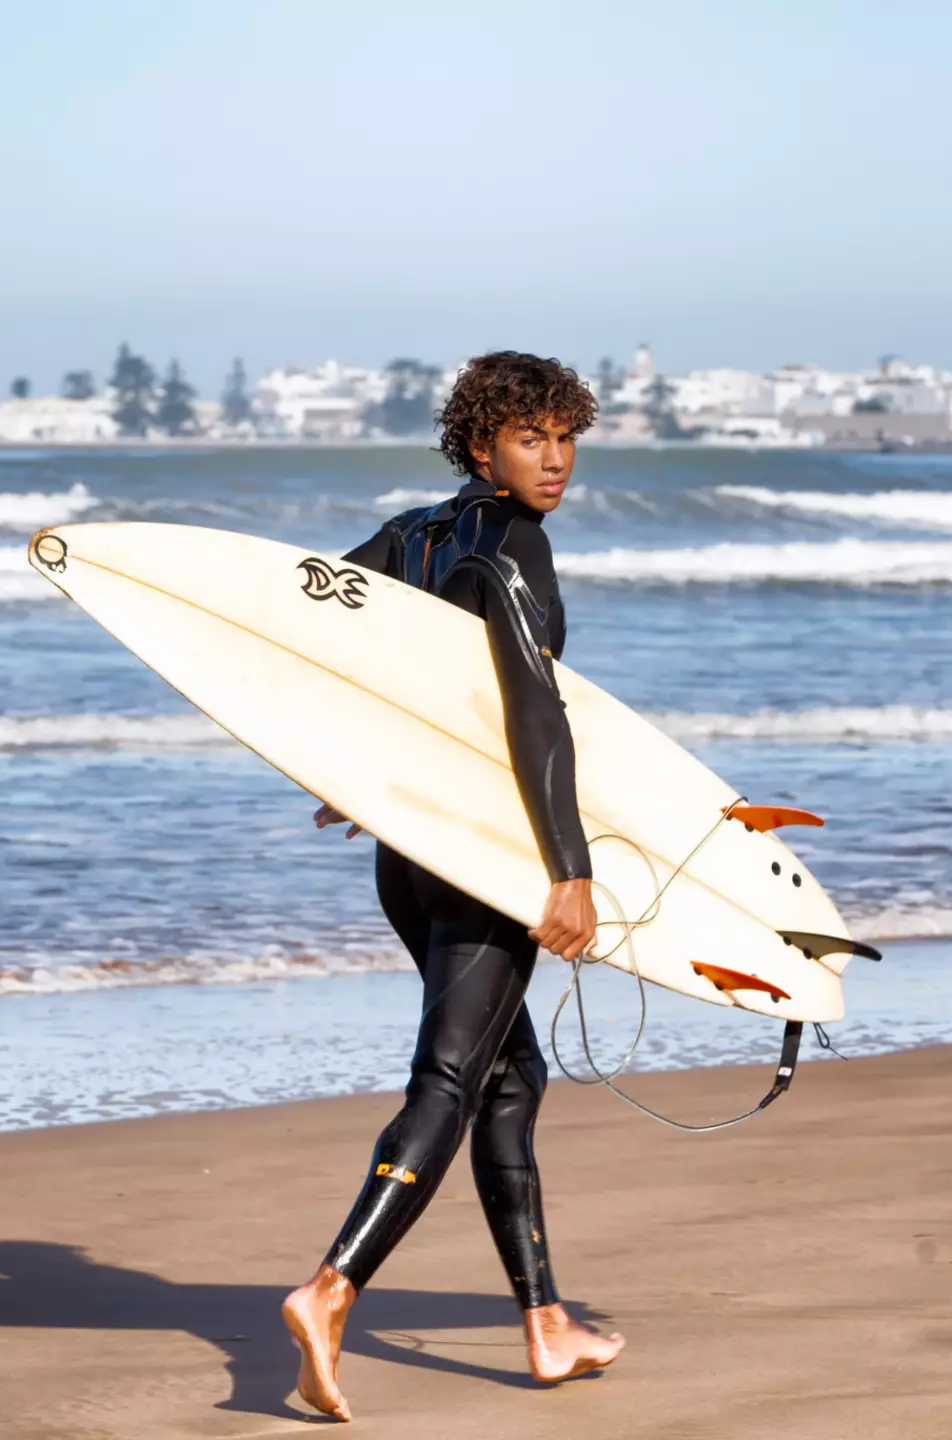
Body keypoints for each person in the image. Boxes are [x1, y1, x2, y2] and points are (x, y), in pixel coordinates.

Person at [282, 352, 625, 1420]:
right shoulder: (513, 546)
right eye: (531, 438)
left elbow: (309, 633)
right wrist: (568, 871)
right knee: (446, 1079)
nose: (555, 460)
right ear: (483, 445)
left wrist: (359, 773)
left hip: (408, 855)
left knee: (507, 1081)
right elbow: (535, 714)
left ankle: (544, 1323)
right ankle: (331, 1287)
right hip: (487, 855)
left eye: (566, 438)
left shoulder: (411, 534)